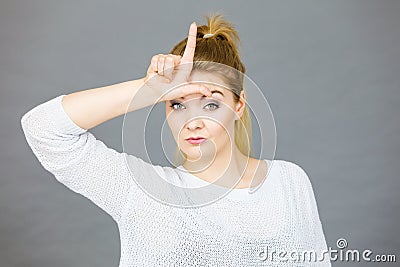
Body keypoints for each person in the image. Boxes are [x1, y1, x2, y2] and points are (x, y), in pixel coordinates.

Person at [21, 13, 331, 266]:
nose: (192, 121)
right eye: (178, 104)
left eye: (211, 103)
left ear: (239, 105)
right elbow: (43, 128)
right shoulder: (142, 191)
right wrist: (148, 89)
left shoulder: (288, 181)